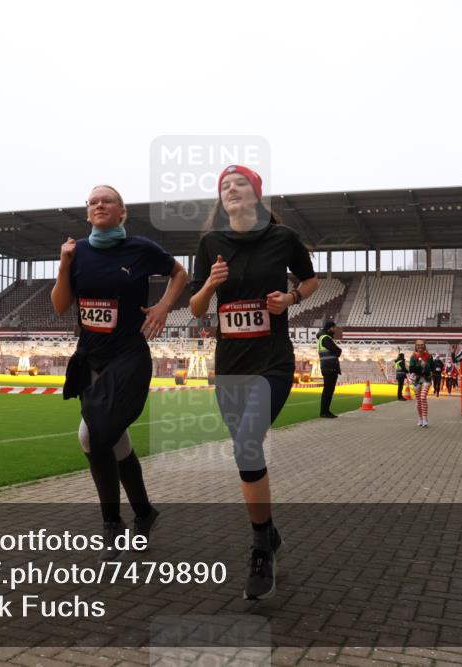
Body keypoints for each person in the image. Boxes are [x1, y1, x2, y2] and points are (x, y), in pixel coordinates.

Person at [189, 165, 317, 600]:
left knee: (247, 443)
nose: (231, 190)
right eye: (224, 187)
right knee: (245, 452)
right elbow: (194, 308)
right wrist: (209, 284)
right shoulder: (210, 245)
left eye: (239, 183)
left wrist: (292, 298)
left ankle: (261, 549)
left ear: (256, 194)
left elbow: (311, 279)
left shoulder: (283, 239)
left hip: (273, 364)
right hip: (230, 367)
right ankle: (270, 531)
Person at [52, 184, 188, 561]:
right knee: (103, 437)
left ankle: (112, 525)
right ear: (87, 212)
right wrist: (64, 265)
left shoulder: (141, 249)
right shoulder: (76, 252)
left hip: (128, 354)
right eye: (92, 201)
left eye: (106, 200)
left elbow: (180, 273)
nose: (99, 205)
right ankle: (144, 512)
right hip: (90, 357)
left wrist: (162, 307)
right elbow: (62, 306)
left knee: (96, 434)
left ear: (121, 211)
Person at [316, 320, 341, 418]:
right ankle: (325, 412)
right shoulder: (326, 338)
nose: (335, 330)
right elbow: (337, 351)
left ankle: (325, 411)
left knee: (328, 390)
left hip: (327, 367)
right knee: (328, 391)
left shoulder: (323, 338)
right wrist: (339, 351)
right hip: (330, 367)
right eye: (334, 328)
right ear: (330, 328)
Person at [408, 340, 433, 427]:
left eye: (422, 345)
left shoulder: (429, 356)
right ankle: (420, 418)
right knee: (418, 400)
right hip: (417, 379)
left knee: (423, 398)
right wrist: (420, 366)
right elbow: (411, 369)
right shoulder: (413, 356)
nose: (420, 346)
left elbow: (432, 367)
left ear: (424, 346)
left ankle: (425, 418)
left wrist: (431, 371)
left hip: (426, 379)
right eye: (418, 345)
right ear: (416, 346)